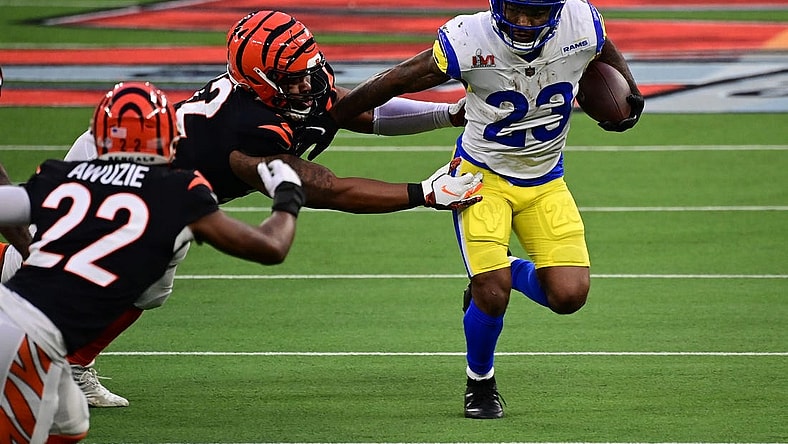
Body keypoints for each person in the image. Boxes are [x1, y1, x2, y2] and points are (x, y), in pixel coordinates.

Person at [0, 10, 484, 407]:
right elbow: (328, 189)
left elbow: (349, 107)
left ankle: (74, 362)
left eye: (308, 70)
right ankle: (52, 351)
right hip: (116, 165)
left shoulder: (279, 89)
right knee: (46, 261)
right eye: (293, 79)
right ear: (261, 81)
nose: (308, 84)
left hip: (166, 188)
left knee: (147, 288)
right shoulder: (246, 130)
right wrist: (422, 193)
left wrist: (446, 114)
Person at [329, 0, 644, 419]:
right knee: (492, 294)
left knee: (569, 296)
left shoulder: (580, 21)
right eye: (516, 11)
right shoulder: (468, 38)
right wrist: (335, 116)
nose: (525, 23)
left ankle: (499, 271)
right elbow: (399, 78)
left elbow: (603, 47)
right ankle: (480, 381)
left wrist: (629, 91)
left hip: (545, 180)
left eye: (537, 14)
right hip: (480, 176)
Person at [0, 81, 309, 443]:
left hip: (21, 321)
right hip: (32, 337)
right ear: (168, 136)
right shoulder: (178, 191)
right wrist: (288, 195)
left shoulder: (59, 175)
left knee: (70, 423)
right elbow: (271, 247)